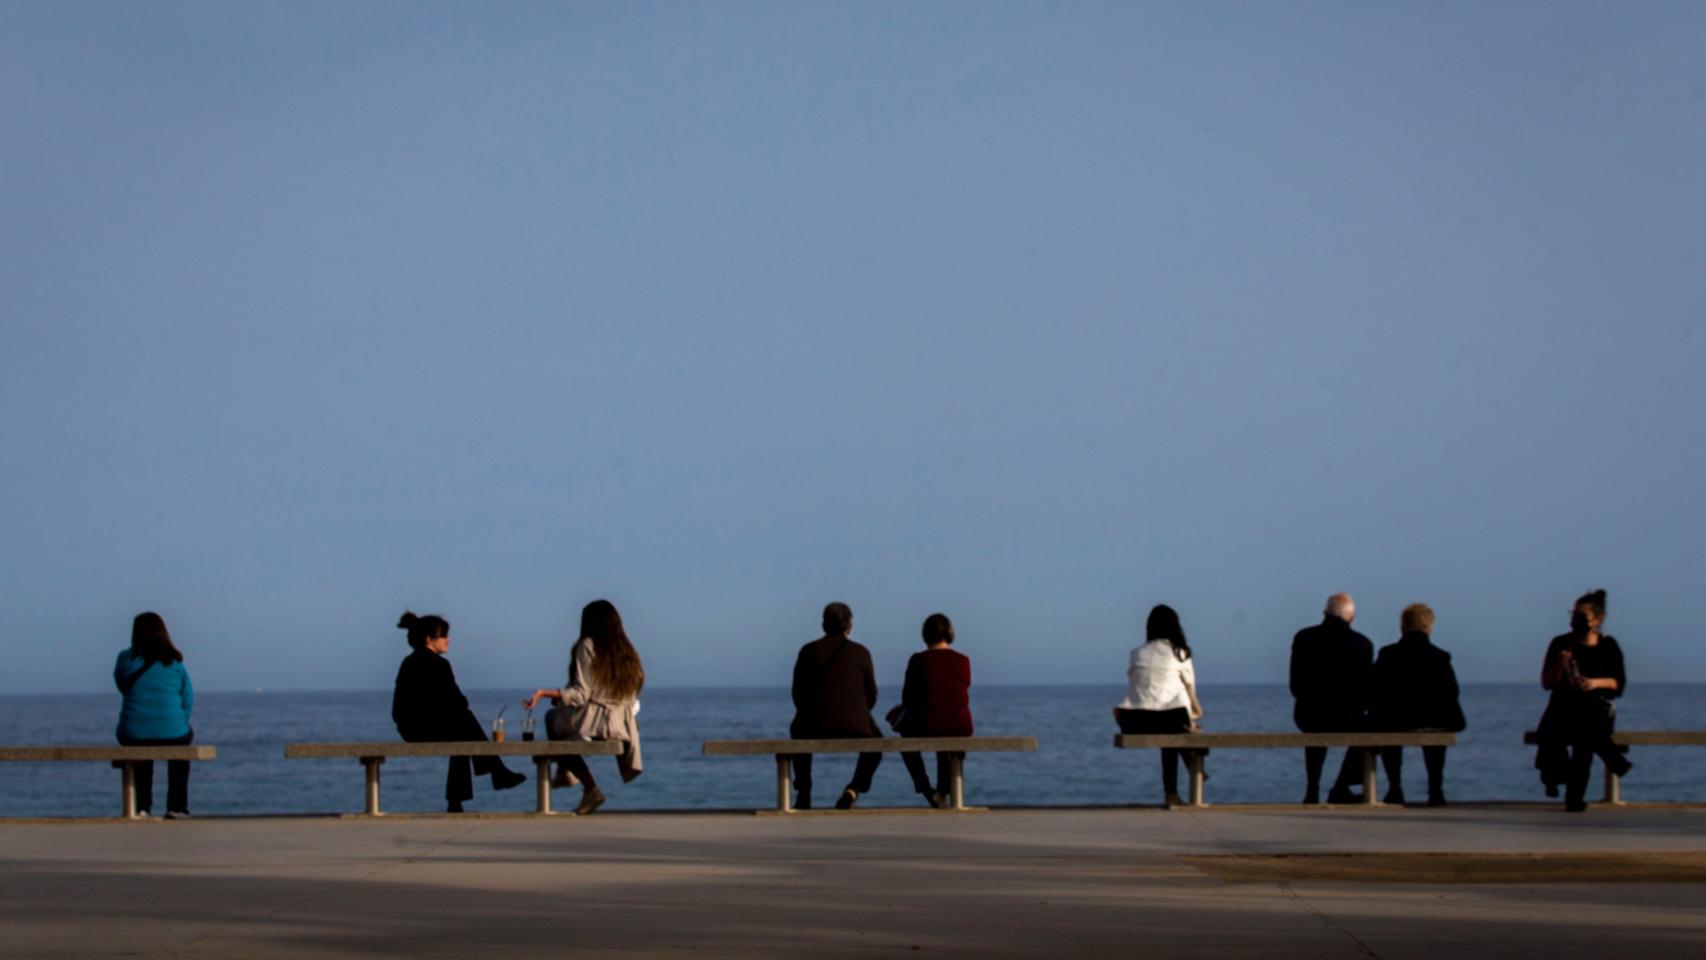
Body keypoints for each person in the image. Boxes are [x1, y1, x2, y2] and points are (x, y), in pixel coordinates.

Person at [391, 612, 527, 813]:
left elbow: (399, 708)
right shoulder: (439, 664)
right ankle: (495, 773)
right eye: (444, 636)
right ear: (429, 639)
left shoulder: (408, 663)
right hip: (426, 729)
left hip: (408, 729)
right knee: (464, 720)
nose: (449, 640)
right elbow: (458, 702)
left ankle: (462, 798)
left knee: (462, 731)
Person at [523, 599, 645, 816]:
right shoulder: (628, 651)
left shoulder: (587, 645)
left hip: (597, 723)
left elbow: (581, 694)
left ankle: (586, 785)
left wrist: (544, 693)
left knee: (552, 718)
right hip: (623, 725)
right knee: (562, 719)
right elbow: (635, 687)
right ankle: (566, 772)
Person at [1534, 589, 1630, 812]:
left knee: (1584, 742)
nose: (1575, 620)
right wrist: (1560, 664)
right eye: (1573, 614)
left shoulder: (1608, 646)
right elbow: (1546, 682)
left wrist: (1594, 683)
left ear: (1597, 620)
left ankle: (1574, 797)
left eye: (1581, 615)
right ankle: (1612, 762)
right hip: (1563, 708)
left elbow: (1618, 682)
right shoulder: (1561, 643)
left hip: (1595, 709)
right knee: (1555, 733)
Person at [789, 602, 883, 810]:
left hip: (814, 726)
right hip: (856, 726)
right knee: (877, 744)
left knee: (797, 729)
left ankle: (803, 793)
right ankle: (854, 789)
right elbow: (872, 696)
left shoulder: (808, 651)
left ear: (824, 625)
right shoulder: (861, 653)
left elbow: (797, 694)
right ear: (849, 626)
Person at [1370, 603, 1465, 807]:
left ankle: (1395, 787)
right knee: (1436, 739)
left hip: (1394, 719)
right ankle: (1435, 789)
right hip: (1433, 720)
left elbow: (1374, 690)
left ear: (1402, 626)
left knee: (1389, 734)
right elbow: (1451, 692)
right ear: (1429, 628)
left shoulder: (1388, 654)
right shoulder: (1440, 657)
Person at [1114, 604, 1206, 808]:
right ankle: (1185, 775)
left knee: (1171, 730)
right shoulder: (1180, 654)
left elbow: (1136, 688)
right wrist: (1195, 714)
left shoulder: (1136, 653)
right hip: (1169, 720)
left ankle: (1174, 789)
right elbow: (1191, 695)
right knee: (1175, 725)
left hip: (1134, 721)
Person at [1290, 593, 1374, 804]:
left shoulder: (1303, 638)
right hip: (1348, 717)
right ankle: (1342, 786)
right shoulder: (1362, 644)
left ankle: (1312, 789)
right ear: (1351, 618)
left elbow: (1295, 685)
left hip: (1308, 715)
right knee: (1370, 728)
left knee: (1315, 728)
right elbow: (1366, 691)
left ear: (1325, 613)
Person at [114, 612, 196, 818]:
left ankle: (142, 806)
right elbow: (188, 698)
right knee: (180, 754)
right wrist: (179, 721)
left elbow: (122, 686)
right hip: (174, 730)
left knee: (140, 750)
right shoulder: (175, 662)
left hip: (134, 732)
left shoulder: (125, 659)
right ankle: (177, 807)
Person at [894, 613, 973, 808]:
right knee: (947, 726)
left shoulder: (918, 660)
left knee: (906, 736)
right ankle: (942, 790)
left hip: (929, 723)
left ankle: (925, 788)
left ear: (926, 635)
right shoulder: (963, 660)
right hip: (961, 725)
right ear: (949, 633)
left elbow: (907, 699)